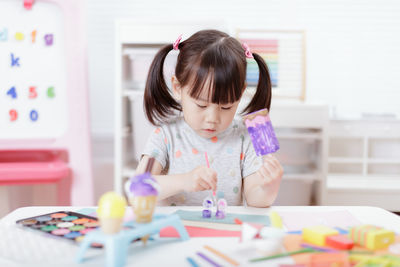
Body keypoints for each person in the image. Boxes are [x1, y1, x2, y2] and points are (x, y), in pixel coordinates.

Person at [135, 29, 283, 208]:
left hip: (227, 234)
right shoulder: (164, 136)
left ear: (240, 93)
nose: (212, 118)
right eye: (202, 105)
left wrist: (269, 188)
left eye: (226, 107)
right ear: (177, 87)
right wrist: (184, 181)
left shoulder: (251, 134)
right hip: (177, 233)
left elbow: (255, 200)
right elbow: (137, 190)